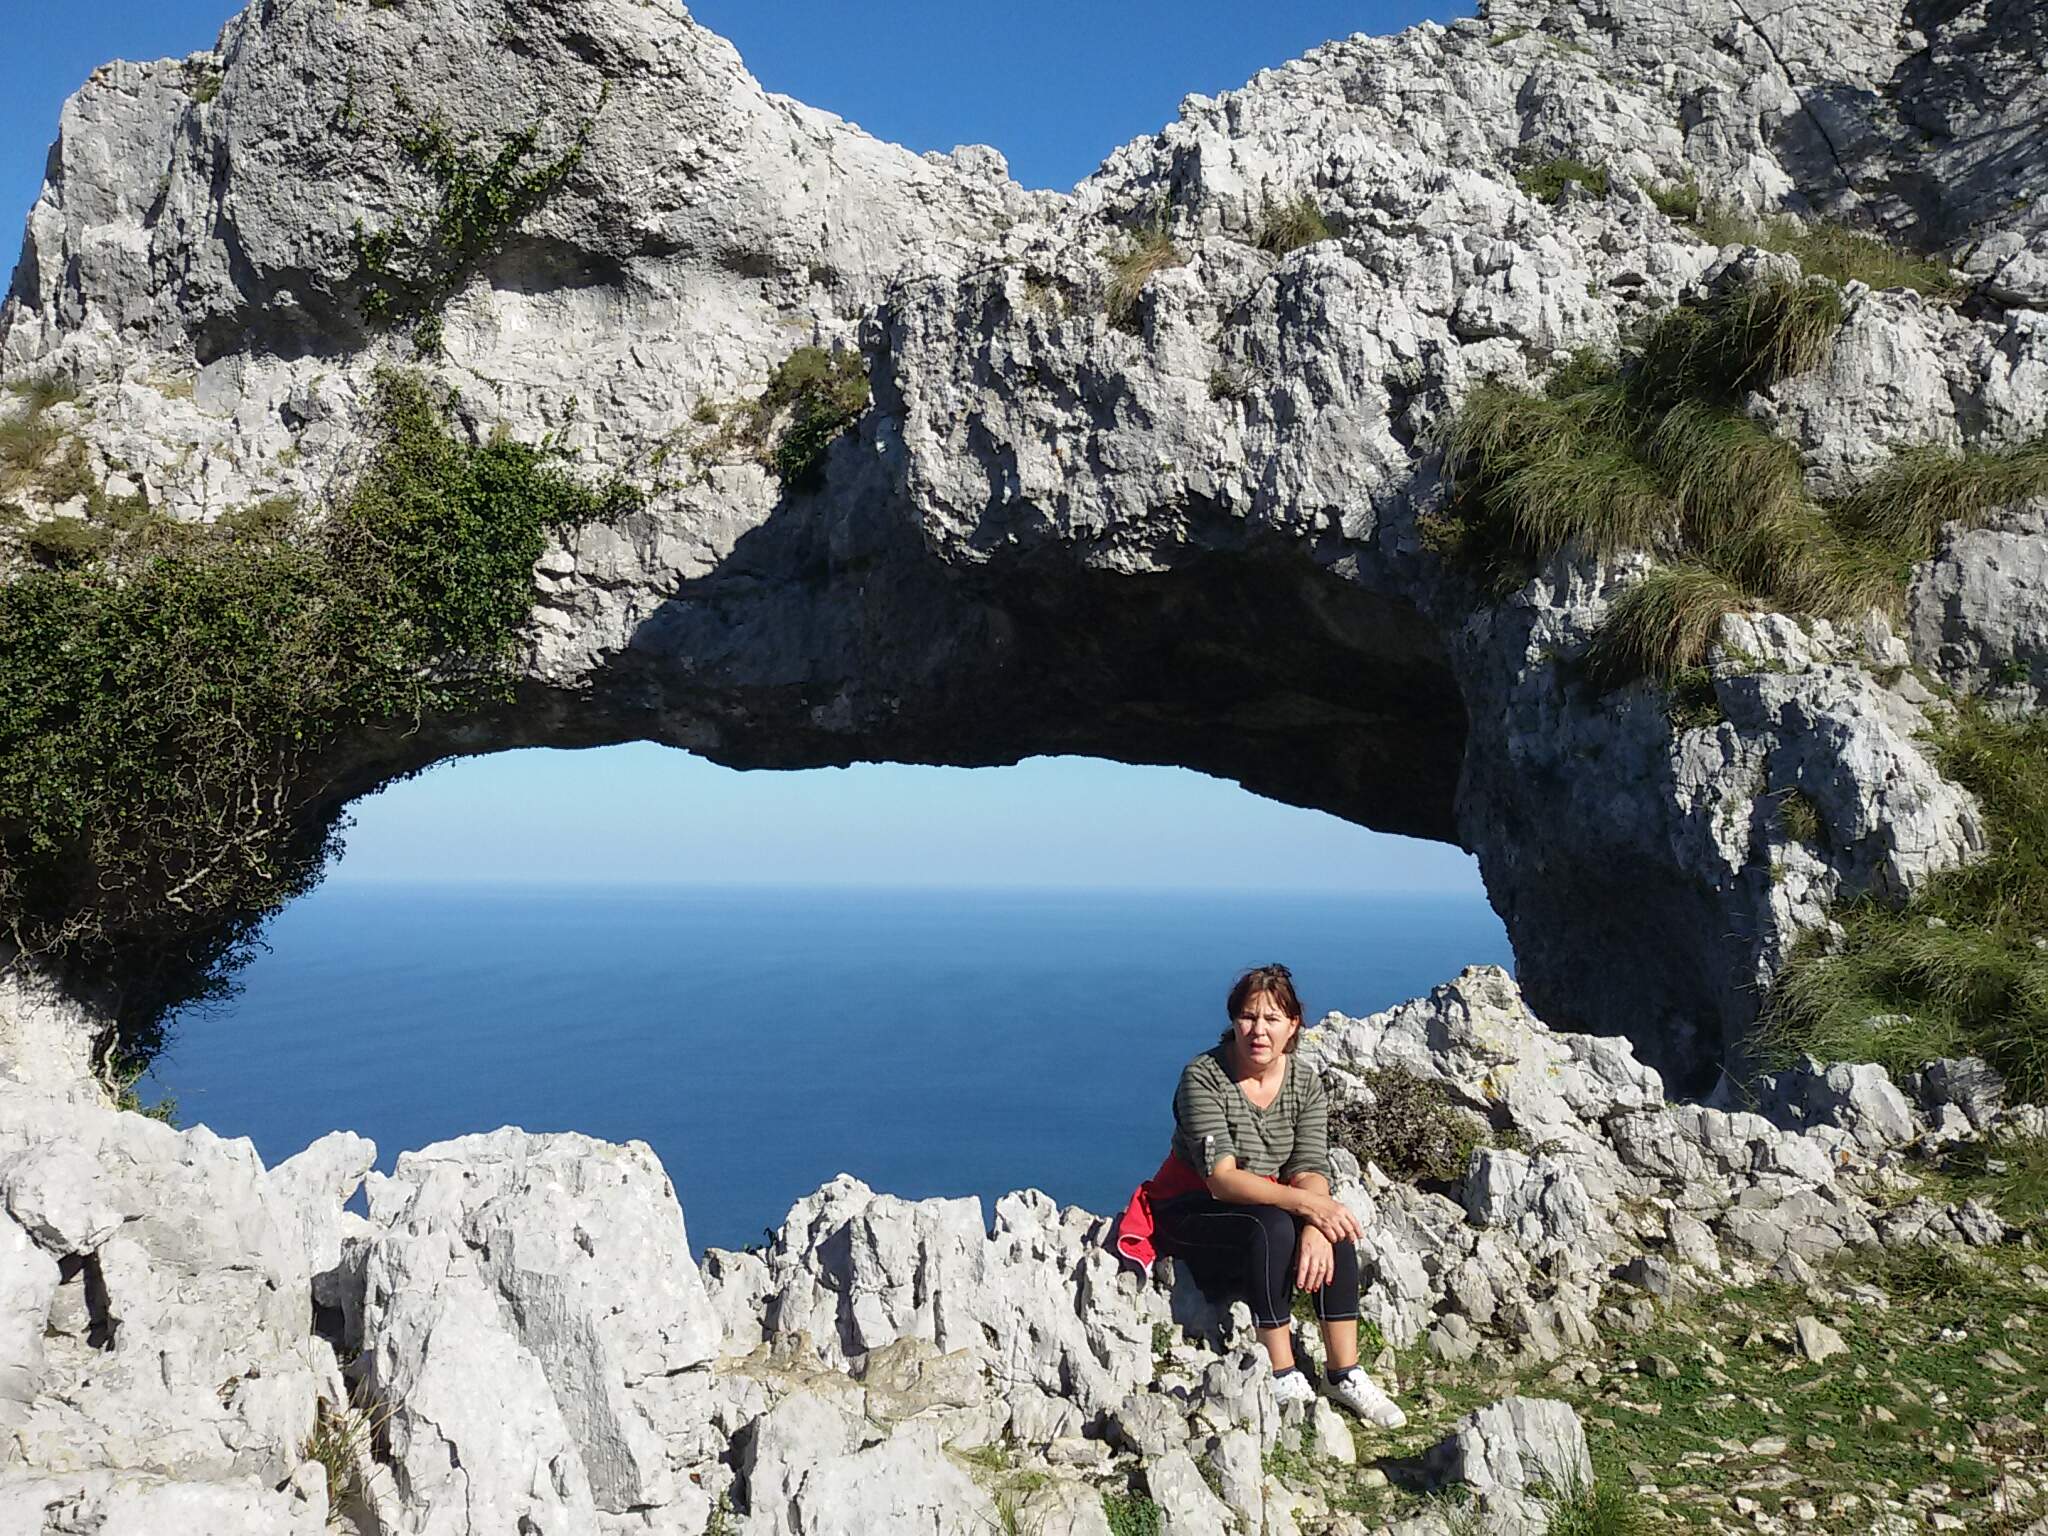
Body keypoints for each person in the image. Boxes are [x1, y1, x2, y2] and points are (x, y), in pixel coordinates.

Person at [1116, 964, 1406, 1426]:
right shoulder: (1203, 1077)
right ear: (1233, 1020)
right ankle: (1282, 1368)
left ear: (1293, 1026)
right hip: (1190, 1211)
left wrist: (1316, 1220)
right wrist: (1305, 1205)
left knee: (1335, 1227)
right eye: (1249, 1017)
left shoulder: (1304, 1083)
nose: (1259, 1030)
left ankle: (1343, 1372)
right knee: (1272, 1225)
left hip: (1258, 1204)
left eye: (1272, 1019)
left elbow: (1309, 1166)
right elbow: (1221, 1179)